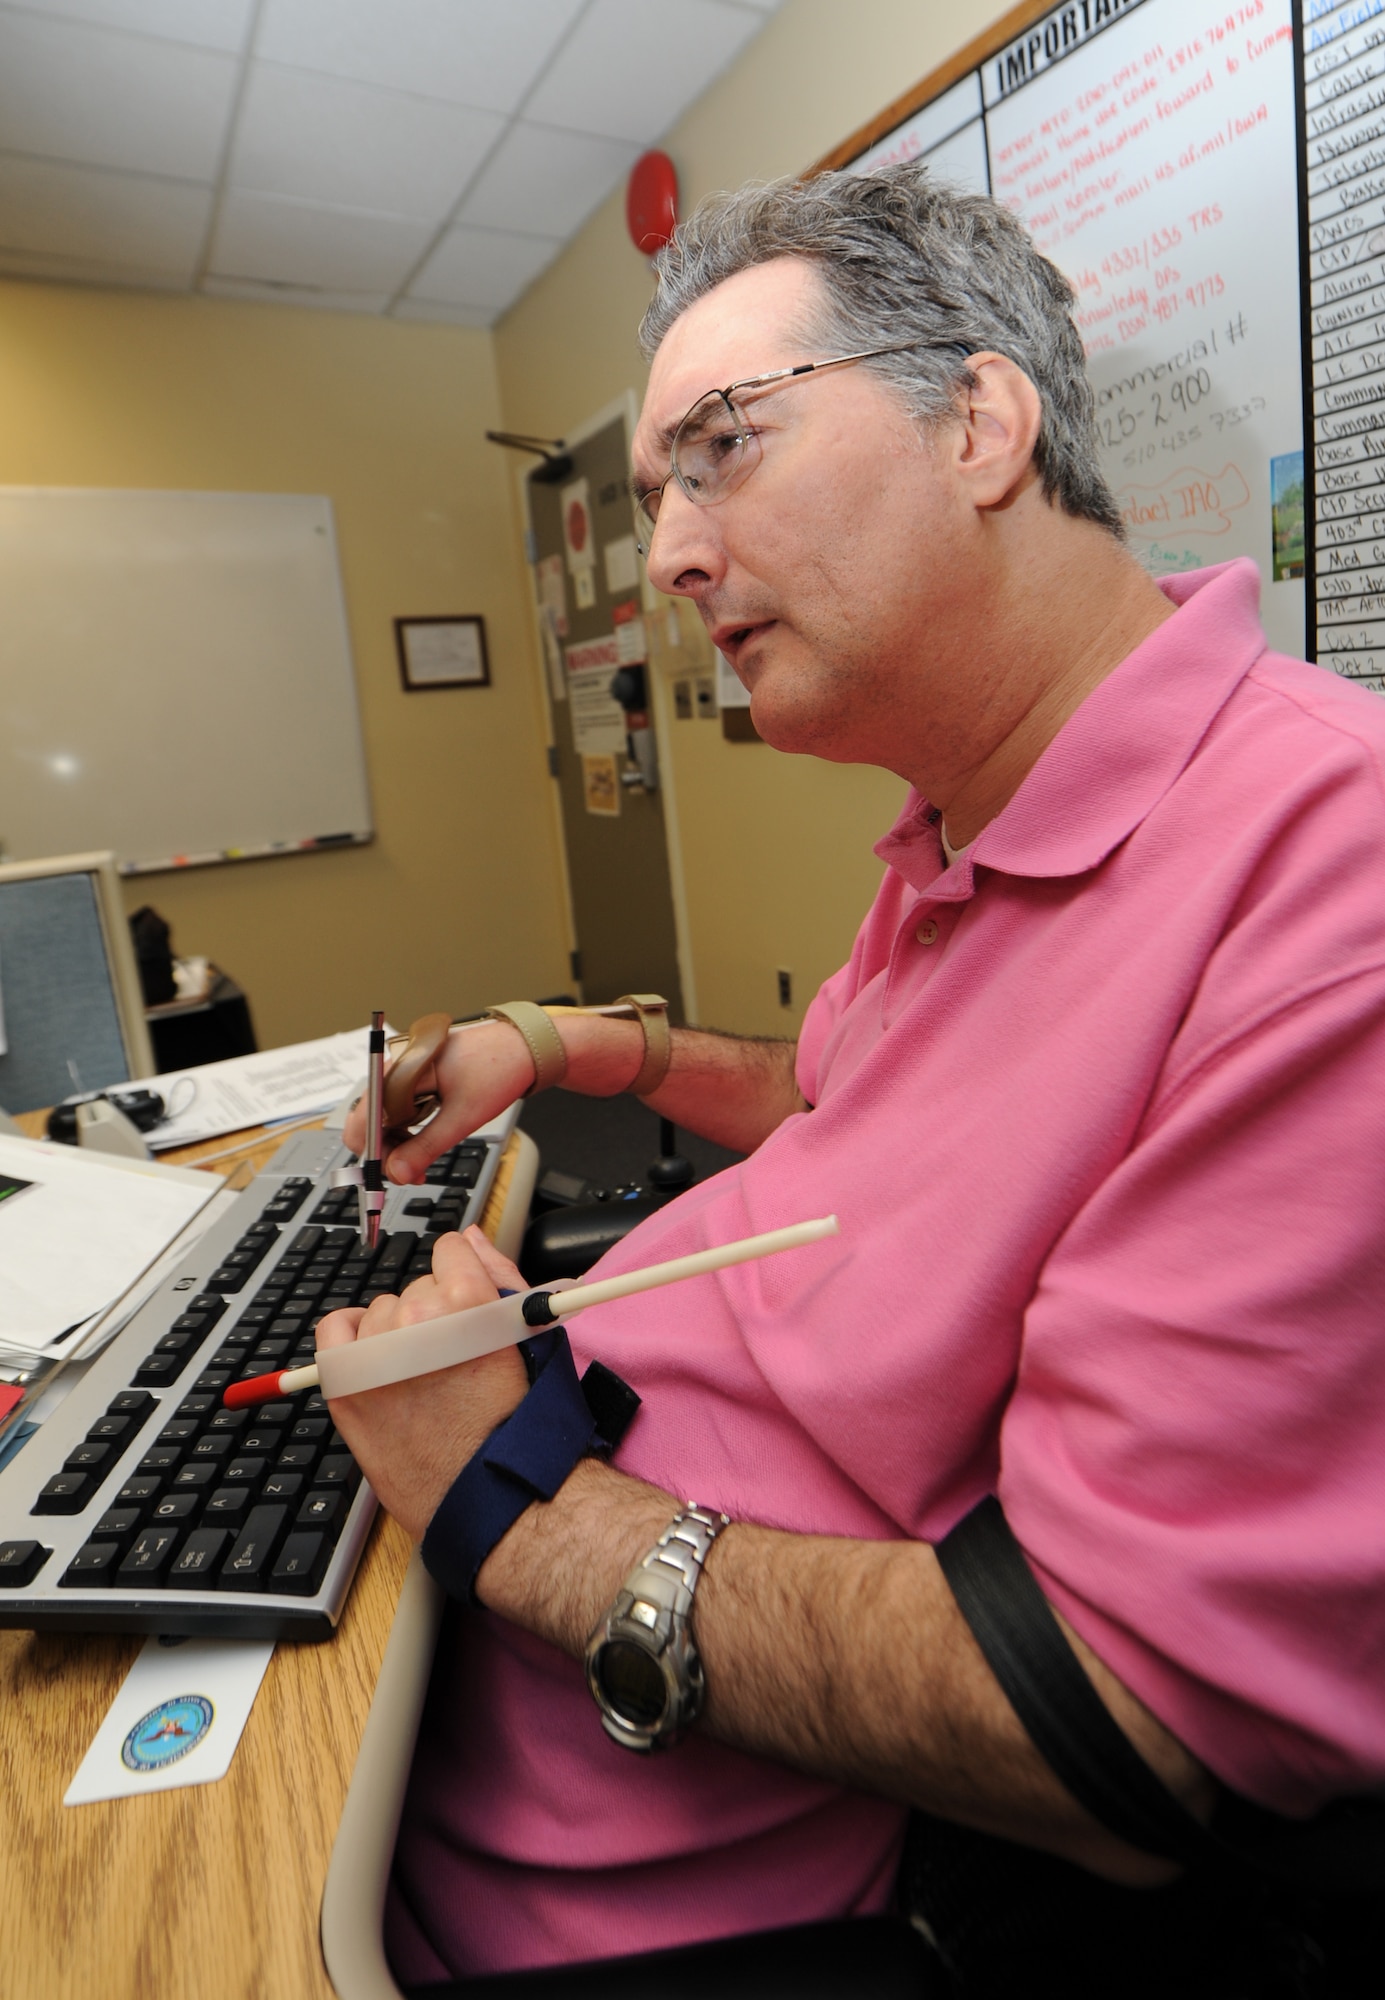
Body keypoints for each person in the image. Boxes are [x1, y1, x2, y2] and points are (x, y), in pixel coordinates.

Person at [327, 163, 1385, 1993]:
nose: (664, 553)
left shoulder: (1326, 873)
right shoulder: (960, 822)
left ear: (976, 423)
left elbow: (1135, 1719)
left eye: (719, 449)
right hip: (480, 1697)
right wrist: (568, 1043)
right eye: (657, 493)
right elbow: (847, 1115)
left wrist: (513, 1494)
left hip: (610, 1904)